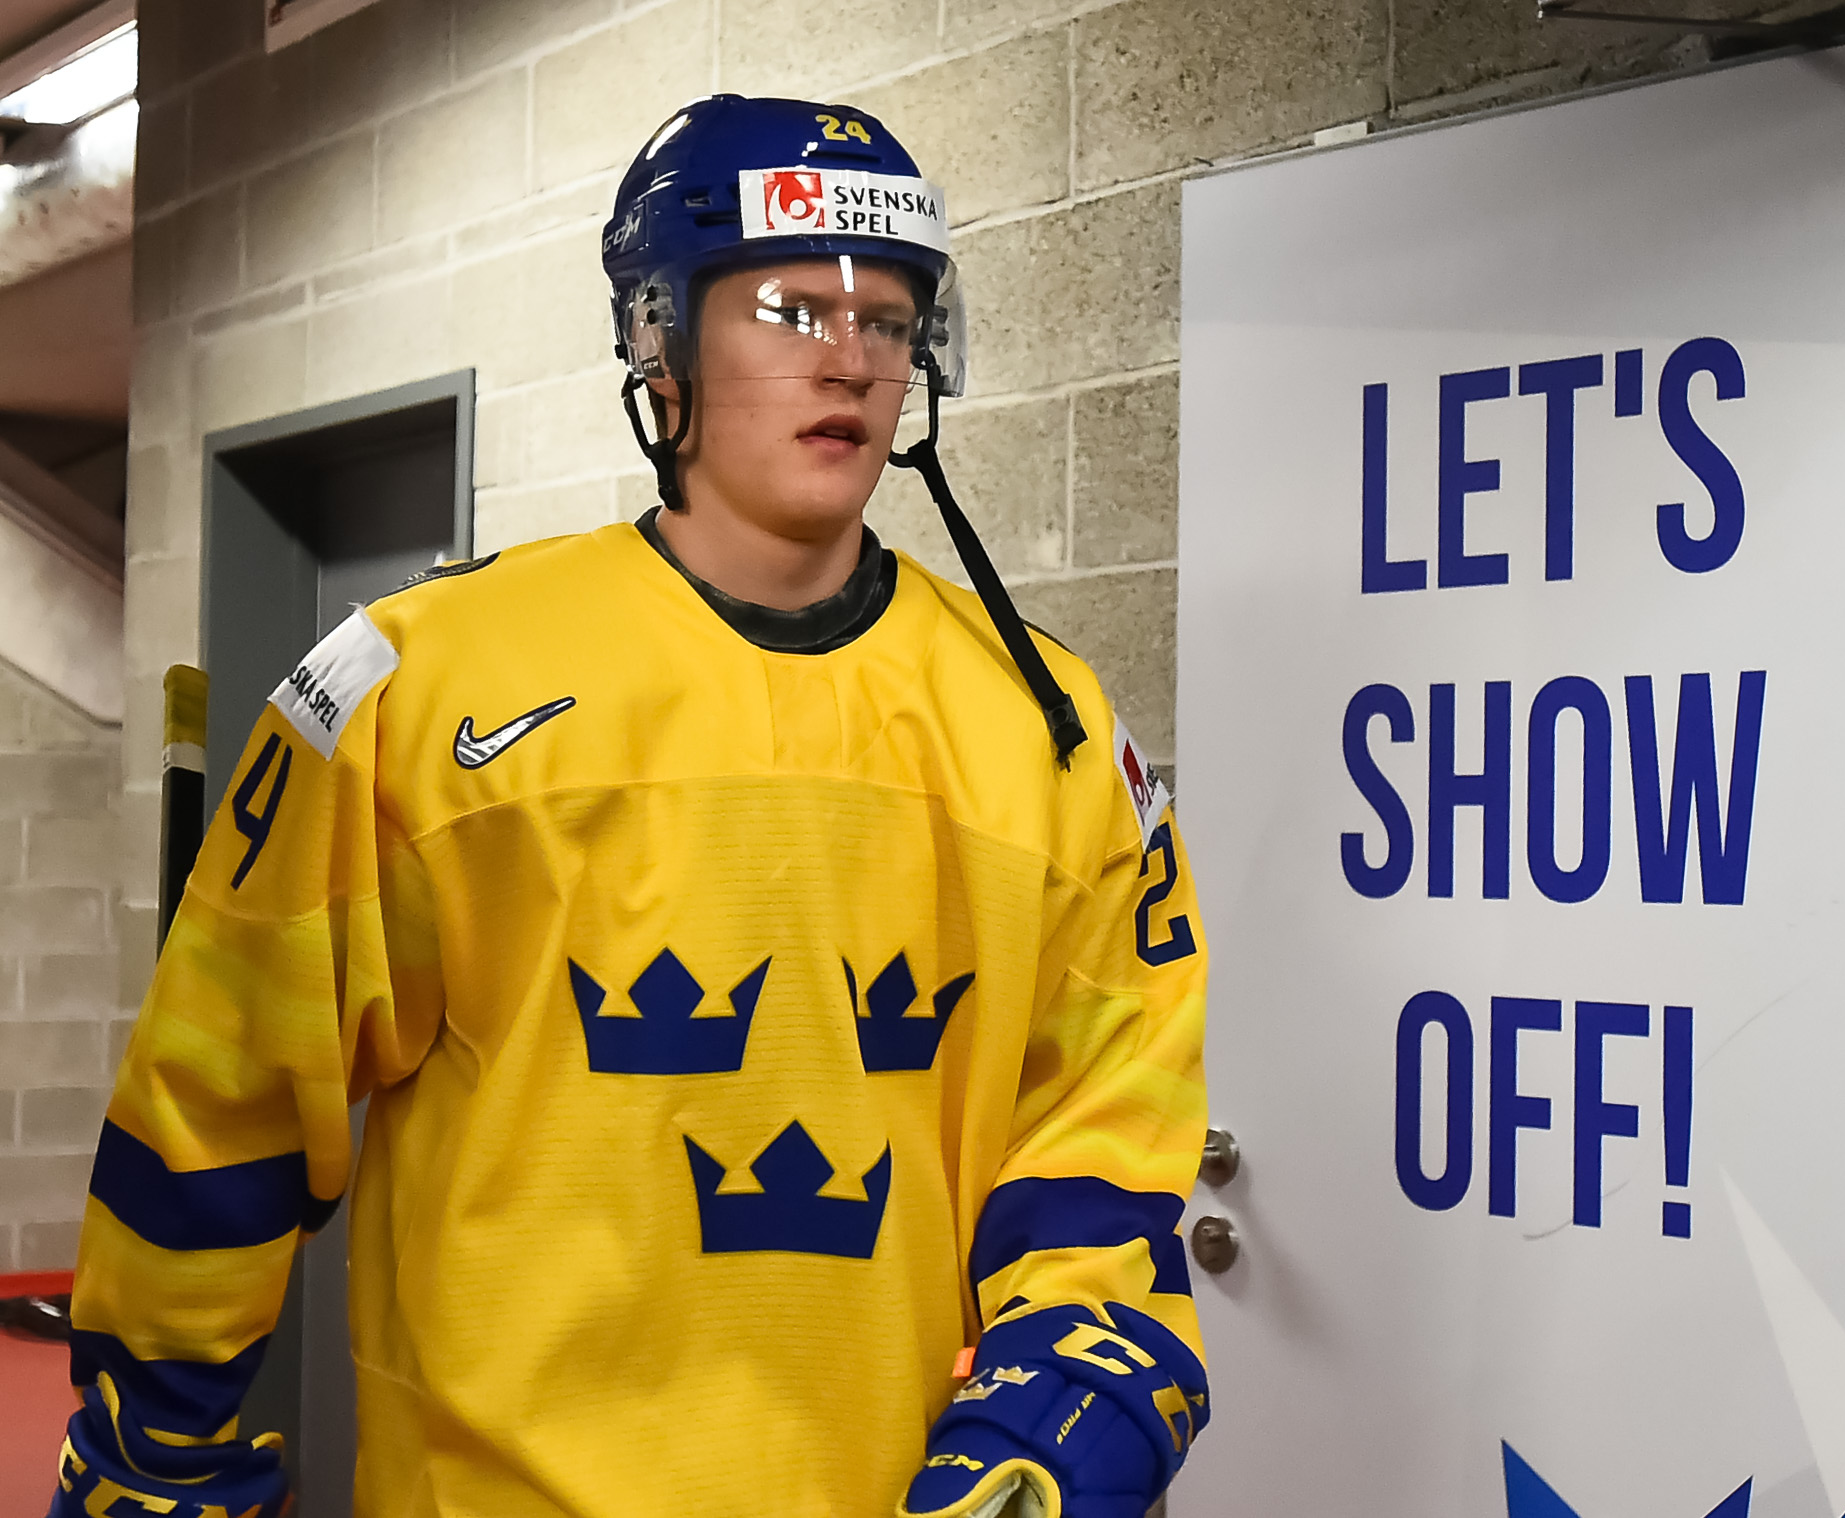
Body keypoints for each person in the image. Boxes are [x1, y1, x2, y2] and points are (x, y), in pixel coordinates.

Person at [51, 94, 1210, 1518]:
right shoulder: (419, 684)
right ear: (661, 340)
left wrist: (1062, 1423)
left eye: (890, 320)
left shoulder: (1051, 728)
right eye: (791, 310)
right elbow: (219, 1092)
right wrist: (152, 1449)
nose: (851, 358)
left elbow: (1108, 1131)